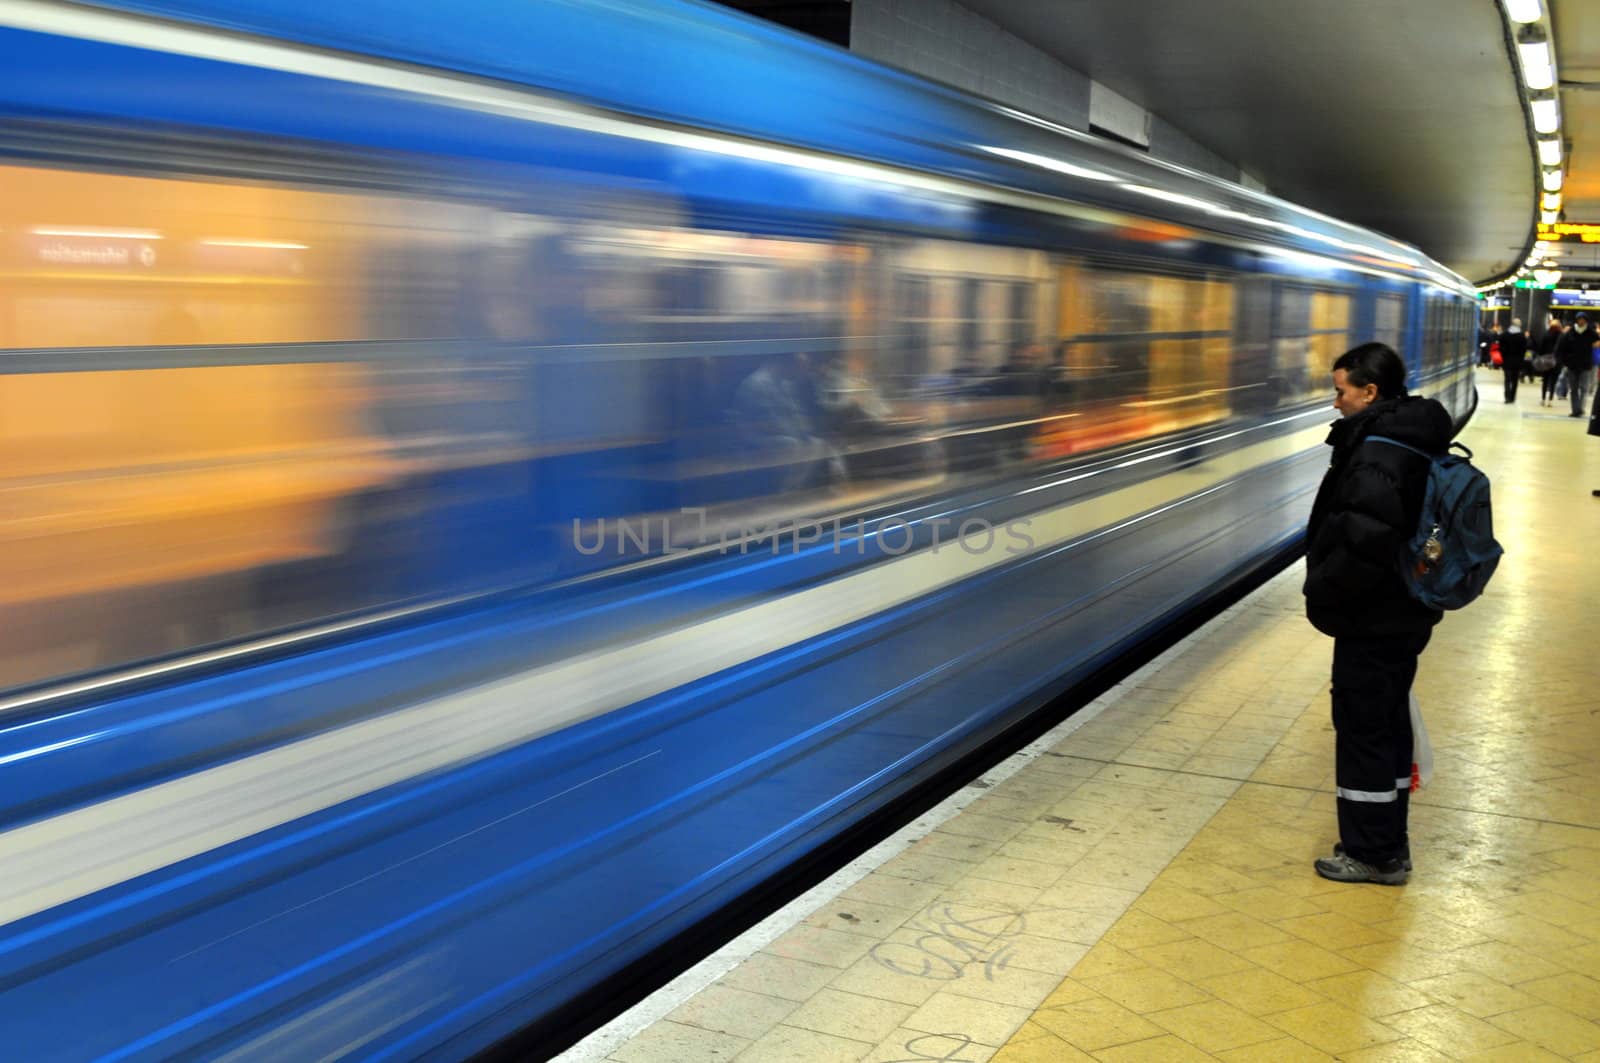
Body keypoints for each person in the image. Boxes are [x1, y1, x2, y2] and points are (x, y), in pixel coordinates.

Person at [1304, 342, 1452, 885]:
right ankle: (1390, 842)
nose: (1335, 402)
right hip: (1401, 611)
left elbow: (1364, 540)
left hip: (1375, 614)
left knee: (1364, 728)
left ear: (1370, 392)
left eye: (1341, 391)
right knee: (1386, 725)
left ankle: (1371, 853)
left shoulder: (1379, 452)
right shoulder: (1405, 437)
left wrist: (1322, 591)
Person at [1556, 312, 1596, 418]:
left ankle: (1581, 409)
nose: (1581, 321)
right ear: (1576, 320)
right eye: (1579, 319)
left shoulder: (1591, 333)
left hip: (1586, 365)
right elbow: (1562, 348)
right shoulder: (1570, 333)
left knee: (1584, 388)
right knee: (1573, 389)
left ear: (1586, 321)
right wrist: (1565, 361)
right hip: (1572, 365)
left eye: (1583, 319)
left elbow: (1597, 342)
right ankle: (1575, 410)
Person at [1499, 318, 1528, 402]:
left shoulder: (1505, 334)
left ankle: (1507, 396)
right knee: (1515, 380)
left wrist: (1504, 356)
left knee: (1507, 379)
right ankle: (1512, 397)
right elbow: (1524, 349)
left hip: (1507, 360)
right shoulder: (1522, 336)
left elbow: (1501, 347)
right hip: (1517, 361)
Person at [1535, 317, 1563, 407]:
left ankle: (1543, 399)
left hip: (1546, 360)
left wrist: (1540, 357)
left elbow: (1541, 348)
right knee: (1553, 381)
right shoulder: (1561, 335)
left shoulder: (1546, 334)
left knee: (1545, 381)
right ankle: (1550, 400)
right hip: (1556, 361)